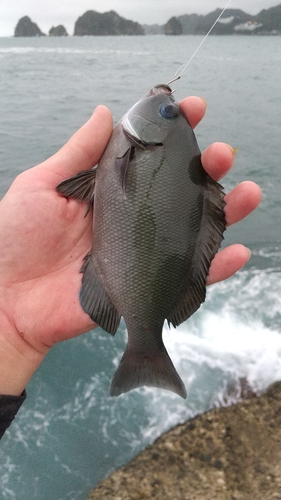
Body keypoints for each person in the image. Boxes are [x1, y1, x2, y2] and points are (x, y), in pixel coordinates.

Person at [0, 97, 262, 438]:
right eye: (168, 110)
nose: (164, 101)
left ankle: (145, 346)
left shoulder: (130, 148)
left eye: (167, 112)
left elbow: (85, 185)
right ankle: (146, 348)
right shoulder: (137, 149)